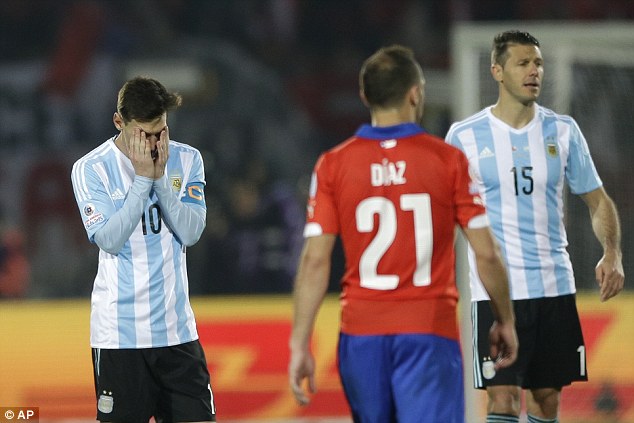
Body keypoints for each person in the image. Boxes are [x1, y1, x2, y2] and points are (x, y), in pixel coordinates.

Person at [288, 45, 518, 423]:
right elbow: (487, 253)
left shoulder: (333, 164)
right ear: (416, 92)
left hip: (361, 337)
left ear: (365, 96)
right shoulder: (448, 160)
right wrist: (505, 319)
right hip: (428, 331)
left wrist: (300, 343)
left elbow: (315, 259)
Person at [446, 30, 625, 423]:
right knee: (503, 400)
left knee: (546, 402)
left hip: (553, 287)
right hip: (495, 294)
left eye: (538, 63)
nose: (534, 71)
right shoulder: (463, 136)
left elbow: (598, 202)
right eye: (523, 63)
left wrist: (612, 252)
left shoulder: (563, 131)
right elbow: (444, 212)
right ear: (497, 70)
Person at [70, 76, 216, 423]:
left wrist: (161, 180)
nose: (154, 143)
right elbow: (109, 239)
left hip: (177, 332)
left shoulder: (187, 159)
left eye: (161, 131)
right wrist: (141, 181)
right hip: (120, 337)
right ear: (119, 122)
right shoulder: (91, 169)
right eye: (144, 133)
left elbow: (192, 232)